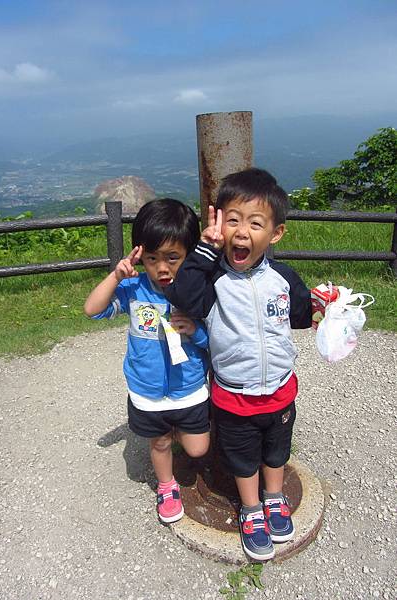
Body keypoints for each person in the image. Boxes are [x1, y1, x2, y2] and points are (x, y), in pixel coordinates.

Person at [164, 168, 313, 560]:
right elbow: (183, 295)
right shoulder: (211, 279)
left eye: (255, 223)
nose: (242, 231)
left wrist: (323, 307)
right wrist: (204, 250)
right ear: (219, 225)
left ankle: (275, 498)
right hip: (234, 397)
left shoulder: (283, 277)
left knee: (277, 451)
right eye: (232, 220)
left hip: (281, 389)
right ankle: (251, 510)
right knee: (243, 458)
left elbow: (300, 314)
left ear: (275, 234)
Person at [84, 198, 210, 524]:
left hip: (189, 387)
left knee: (197, 448)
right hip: (147, 389)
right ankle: (167, 486)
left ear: (189, 253)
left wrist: (196, 331)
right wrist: (116, 277)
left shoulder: (198, 292)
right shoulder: (134, 289)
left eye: (173, 258)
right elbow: (92, 309)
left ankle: (179, 431)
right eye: (152, 259)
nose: (162, 268)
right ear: (140, 254)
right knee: (159, 442)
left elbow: (216, 341)